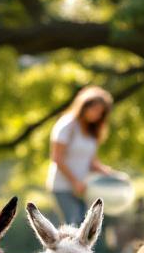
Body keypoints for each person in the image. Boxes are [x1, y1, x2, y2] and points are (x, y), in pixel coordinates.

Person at [48, 85, 120, 227]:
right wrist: (75, 182)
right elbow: (57, 158)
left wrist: (110, 174)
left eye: (100, 112)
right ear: (84, 106)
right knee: (74, 223)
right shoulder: (67, 125)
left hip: (85, 188)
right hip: (63, 186)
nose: (97, 114)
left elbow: (92, 162)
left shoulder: (92, 131)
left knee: (87, 226)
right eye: (94, 109)